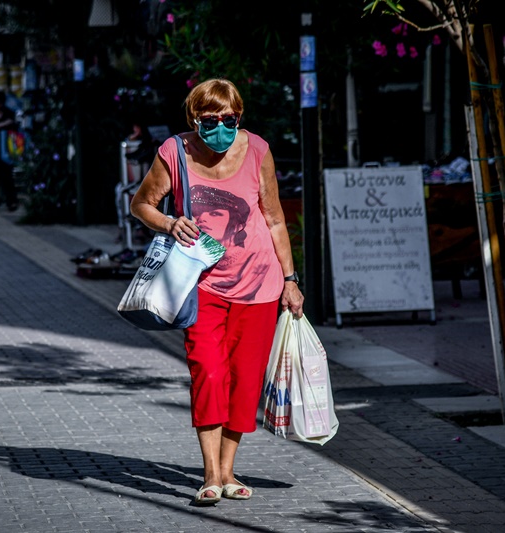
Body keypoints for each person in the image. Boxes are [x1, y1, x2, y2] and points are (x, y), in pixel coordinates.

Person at [130, 78, 304, 506]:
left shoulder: (258, 150)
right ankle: (210, 475)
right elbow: (141, 204)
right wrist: (170, 223)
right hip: (201, 285)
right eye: (212, 120)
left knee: (245, 383)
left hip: (260, 286)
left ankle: (228, 470)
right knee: (208, 374)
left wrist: (290, 280)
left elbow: (276, 219)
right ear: (195, 119)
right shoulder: (175, 152)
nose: (223, 127)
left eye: (231, 119)